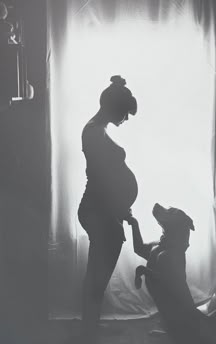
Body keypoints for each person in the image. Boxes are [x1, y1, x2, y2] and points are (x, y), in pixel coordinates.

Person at [78, 75, 138, 344]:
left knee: (98, 275)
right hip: (97, 209)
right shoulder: (92, 131)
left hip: (104, 209)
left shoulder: (98, 129)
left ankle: (90, 327)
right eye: (124, 112)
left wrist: (119, 207)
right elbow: (102, 178)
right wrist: (118, 207)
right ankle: (88, 331)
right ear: (113, 107)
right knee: (97, 275)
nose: (126, 118)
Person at [125, 203, 215, 344]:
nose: (161, 208)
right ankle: (172, 330)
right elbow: (139, 249)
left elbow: (165, 282)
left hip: (181, 316)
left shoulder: (171, 254)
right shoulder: (162, 247)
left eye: (169, 212)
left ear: (175, 227)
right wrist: (134, 224)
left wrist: (142, 270)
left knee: (186, 333)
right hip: (170, 311)